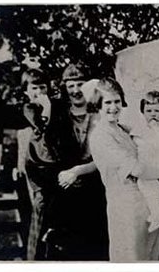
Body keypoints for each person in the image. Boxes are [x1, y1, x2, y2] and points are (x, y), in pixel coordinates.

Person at [70, 77, 159, 261]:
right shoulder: (101, 136)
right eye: (108, 102)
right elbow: (136, 169)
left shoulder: (122, 129)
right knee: (131, 256)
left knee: (150, 255)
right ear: (99, 105)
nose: (113, 107)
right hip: (125, 205)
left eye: (117, 101)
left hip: (146, 200)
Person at [43, 64, 108, 260]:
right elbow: (50, 152)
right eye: (71, 85)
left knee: (97, 247)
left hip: (97, 188)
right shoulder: (59, 117)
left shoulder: (101, 114)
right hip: (66, 192)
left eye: (80, 84)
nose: (75, 90)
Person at [19, 68, 61, 260]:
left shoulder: (52, 108)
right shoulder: (31, 108)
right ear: (26, 91)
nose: (39, 93)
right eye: (34, 88)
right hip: (38, 171)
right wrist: (47, 110)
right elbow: (40, 130)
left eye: (43, 88)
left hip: (51, 170)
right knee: (40, 213)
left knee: (53, 224)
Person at [130, 91, 159, 233]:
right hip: (149, 167)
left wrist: (156, 130)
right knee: (148, 185)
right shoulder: (140, 129)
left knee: (154, 183)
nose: (153, 114)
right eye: (148, 111)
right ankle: (157, 213)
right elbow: (136, 142)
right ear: (143, 112)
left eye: (157, 110)